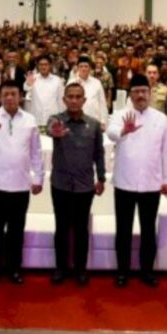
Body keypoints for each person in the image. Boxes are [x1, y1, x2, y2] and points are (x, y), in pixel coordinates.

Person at [106, 74, 167, 288]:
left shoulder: (160, 119)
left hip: (151, 183)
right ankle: (122, 271)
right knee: (123, 229)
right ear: (130, 94)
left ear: (150, 93)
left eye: (144, 91)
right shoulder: (120, 115)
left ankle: (147, 271)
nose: (140, 95)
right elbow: (110, 134)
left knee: (148, 230)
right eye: (136, 91)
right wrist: (123, 131)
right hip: (124, 182)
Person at [0, 81, 44, 284]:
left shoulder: (30, 120)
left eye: (13, 94)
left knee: (16, 229)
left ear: (20, 96)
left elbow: (36, 152)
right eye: (5, 94)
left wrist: (39, 177)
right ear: (0, 96)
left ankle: (15, 267)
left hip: (20, 182)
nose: (9, 98)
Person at [46, 82, 107, 286]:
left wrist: (101, 178)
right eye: (70, 96)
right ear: (64, 99)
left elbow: (99, 153)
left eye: (77, 96)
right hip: (60, 185)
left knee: (81, 230)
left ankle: (81, 268)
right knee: (61, 228)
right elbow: (49, 129)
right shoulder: (56, 120)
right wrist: (54, 132)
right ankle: (60, 268)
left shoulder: (94, 124)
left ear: (84, 100)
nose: (73, 100)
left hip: (85, 186)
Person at [25, 55, 64, 126]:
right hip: (36, 116)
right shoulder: (33, 78)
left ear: (50, 65)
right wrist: (28, 84)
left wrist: (62, 118)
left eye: (46, 64)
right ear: (38, 66)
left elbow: (61, 100)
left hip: (53, 116)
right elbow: (26, 89)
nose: (43, 67)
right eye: (41, 65)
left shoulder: (57, 80)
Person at [69, 56, 108, 125]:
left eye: (86, 66)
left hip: (94, 120)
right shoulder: (71, 82)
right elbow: (67, 103)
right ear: (77, 68)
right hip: (76, 121)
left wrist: (103, 121)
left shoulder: (96, 82)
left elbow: (102, 103)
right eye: (81, 66)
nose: (83, 69)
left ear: (90, 68)